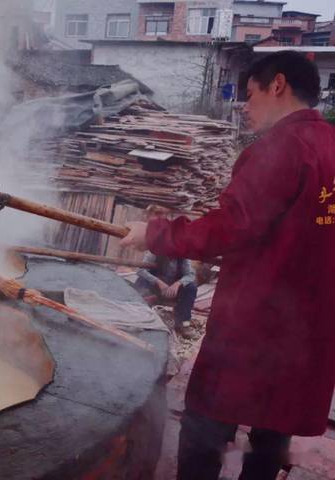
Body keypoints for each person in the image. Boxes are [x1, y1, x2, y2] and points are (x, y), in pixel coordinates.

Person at [119, 51, 335, 480]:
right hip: (310, 326)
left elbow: (228, 229)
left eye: (250, 94)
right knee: (274, 424)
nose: (244, 106)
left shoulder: (282, 149)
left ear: (277, 85)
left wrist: (155, 233)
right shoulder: (330, 145)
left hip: (256, 323)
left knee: (206, 420)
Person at [135, 252, 197, 339]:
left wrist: (178, 283)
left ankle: (183, 323)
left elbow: (190, 275)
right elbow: (140, 270)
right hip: (155, 287)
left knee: (191, 287)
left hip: (173, 289)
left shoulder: (183, 256)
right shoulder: (155, 251)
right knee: (142, 281)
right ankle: (138, 315)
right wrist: (158, 282)